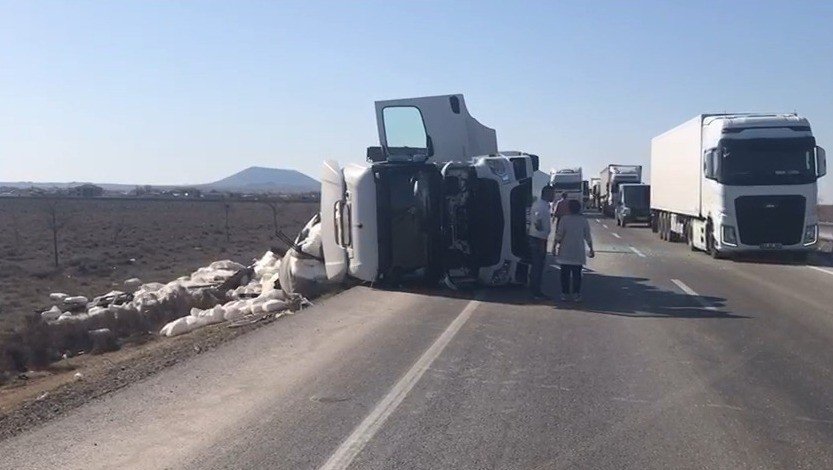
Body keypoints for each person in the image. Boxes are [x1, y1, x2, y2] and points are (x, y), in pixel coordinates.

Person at [554, 199, 594, 302]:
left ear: (569, 208)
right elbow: (587, 236)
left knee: (564, 274)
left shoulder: (564, 219)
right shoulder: (583, 220)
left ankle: (565, 293)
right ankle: (576, 294)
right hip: (578, 251)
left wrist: (554, 247)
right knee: (577, 274)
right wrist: (591, 249)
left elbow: (559, 235)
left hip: (565, 251)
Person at [529, 185, 555, 299]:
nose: (554, 196)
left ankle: (536, 289)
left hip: (539, 238)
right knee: (538, 265)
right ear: (547, 193)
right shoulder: (541, 205)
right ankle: (536, 292)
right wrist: (541, 236)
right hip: (538, 239)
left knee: (538, 265)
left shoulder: (543, 205)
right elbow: (537, 221)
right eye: (552, 194)